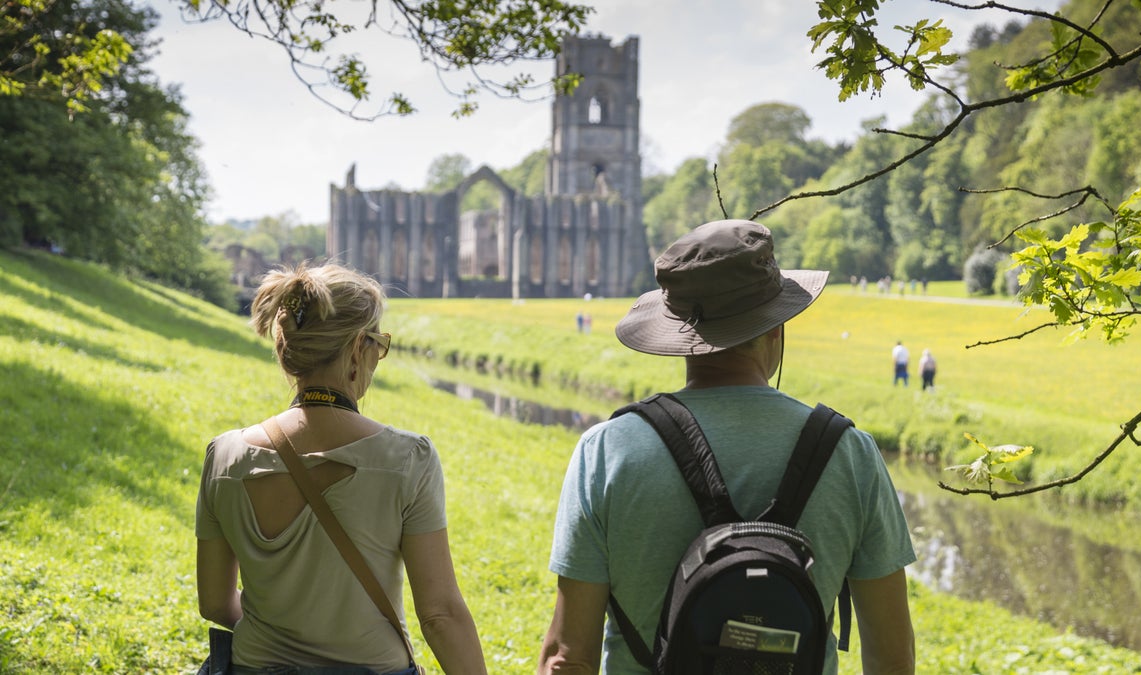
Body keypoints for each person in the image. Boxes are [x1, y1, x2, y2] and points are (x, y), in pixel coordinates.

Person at [537, 220, 916, 675]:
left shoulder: (606, 450)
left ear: (677, 336)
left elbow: (567, 657)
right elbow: (892, 658)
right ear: (775, 329)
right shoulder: (850, 453)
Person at [195, 262, 487, 675]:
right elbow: (440, 615)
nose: (378, 358)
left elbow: (214, 602)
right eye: (378, 344)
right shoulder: (407, 459)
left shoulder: (224, 456)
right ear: (356, 348)